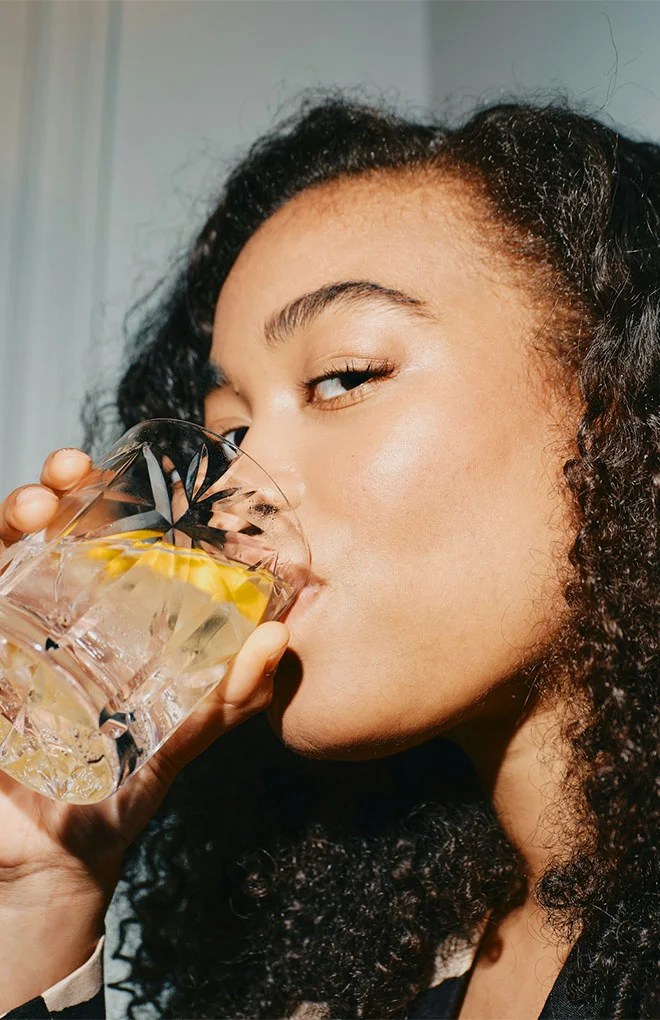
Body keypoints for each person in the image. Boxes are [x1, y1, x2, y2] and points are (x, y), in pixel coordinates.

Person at [0, 92, 657, 1020]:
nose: (233, 494)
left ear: (620, 406)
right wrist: (42, 892)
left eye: (343, 379)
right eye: (226, 435)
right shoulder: (354, 986)